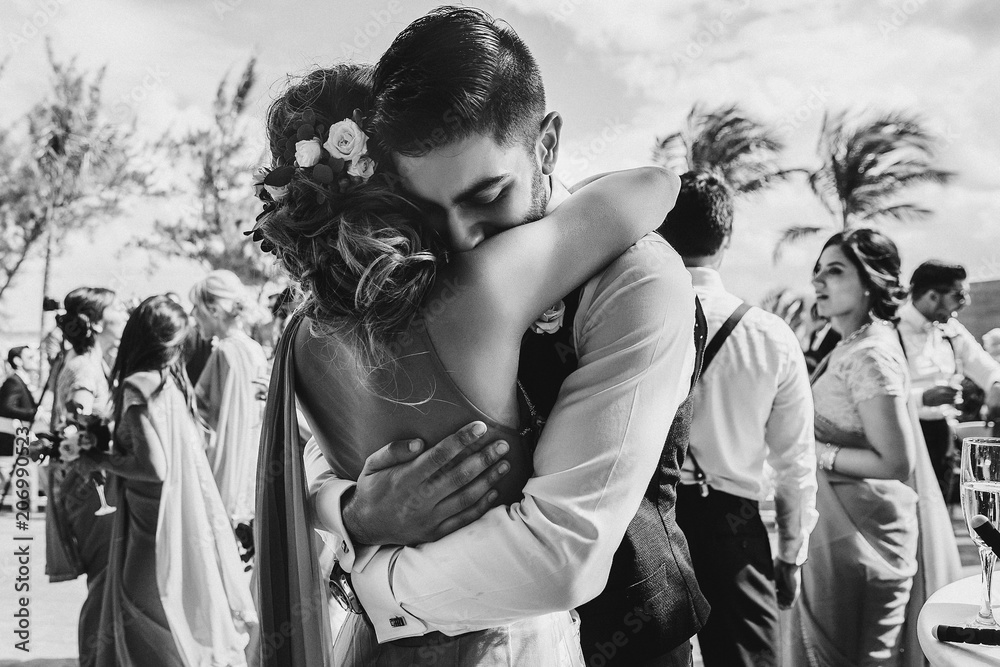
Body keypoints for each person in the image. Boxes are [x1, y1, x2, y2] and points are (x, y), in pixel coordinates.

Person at [253, 40, 695, 667]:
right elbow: (655, 182)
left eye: (487, 195)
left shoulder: (302, 337)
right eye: (428, 206)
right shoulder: (481, 289)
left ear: (546, 145)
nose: (461, 236)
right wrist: (357, 510)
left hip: (620, 634)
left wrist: (366, 570)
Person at [660, 173, 817, 667]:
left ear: (660, 230)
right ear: (725, 239)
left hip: (647, 522)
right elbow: (794, 462)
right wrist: (791, 555)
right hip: (733, 528)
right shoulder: (770, 335)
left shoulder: (624, 319)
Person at [788, 230, 960, 667]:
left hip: (863, 542)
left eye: (835, 270)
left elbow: (896, 461)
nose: (818, 281)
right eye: (818, 271)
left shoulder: (870, 354)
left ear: (871, 281)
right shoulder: (851, 344)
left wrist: (815, 452)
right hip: (840, 531)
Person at [71, 295, 256, 666]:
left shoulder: (136, 385)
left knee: (139, 610)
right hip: (170, 512)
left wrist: (98, 459)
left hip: (148, 520)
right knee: (167, 612)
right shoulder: (167, 383)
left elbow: (155, 466)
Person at [45, 287, 127, 667]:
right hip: (91, 486)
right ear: (95, 322)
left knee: (108, 578)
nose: (125, 311)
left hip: (94, 482)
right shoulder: (84, 368)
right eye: (116, 308)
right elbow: (79, 428)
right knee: (104, 579)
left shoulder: (90, 362)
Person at [897, 261, 1000, 499]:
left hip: (941, 436)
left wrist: (995, 386)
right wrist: (923, 398)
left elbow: (986, 367)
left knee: (938, 509)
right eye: (960, 296)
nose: (966, 303)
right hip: (905, 435)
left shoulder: (951, 330)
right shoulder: (891, 330)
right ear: (933, 296)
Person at [190, 270, 269, 523]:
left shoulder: (225, 353)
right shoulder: (252, 348)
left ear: (213, 310)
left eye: (196, 307)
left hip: (227, 471)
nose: (193, 316)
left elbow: (219, 425)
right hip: (254, 466)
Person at [0, 346, 39, 456]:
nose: (35, 360)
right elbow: (6, 408)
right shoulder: (13, 381)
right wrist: (34, 414)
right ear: (18, 361)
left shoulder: (20, 380)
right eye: (30, 357)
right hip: (10, 442)